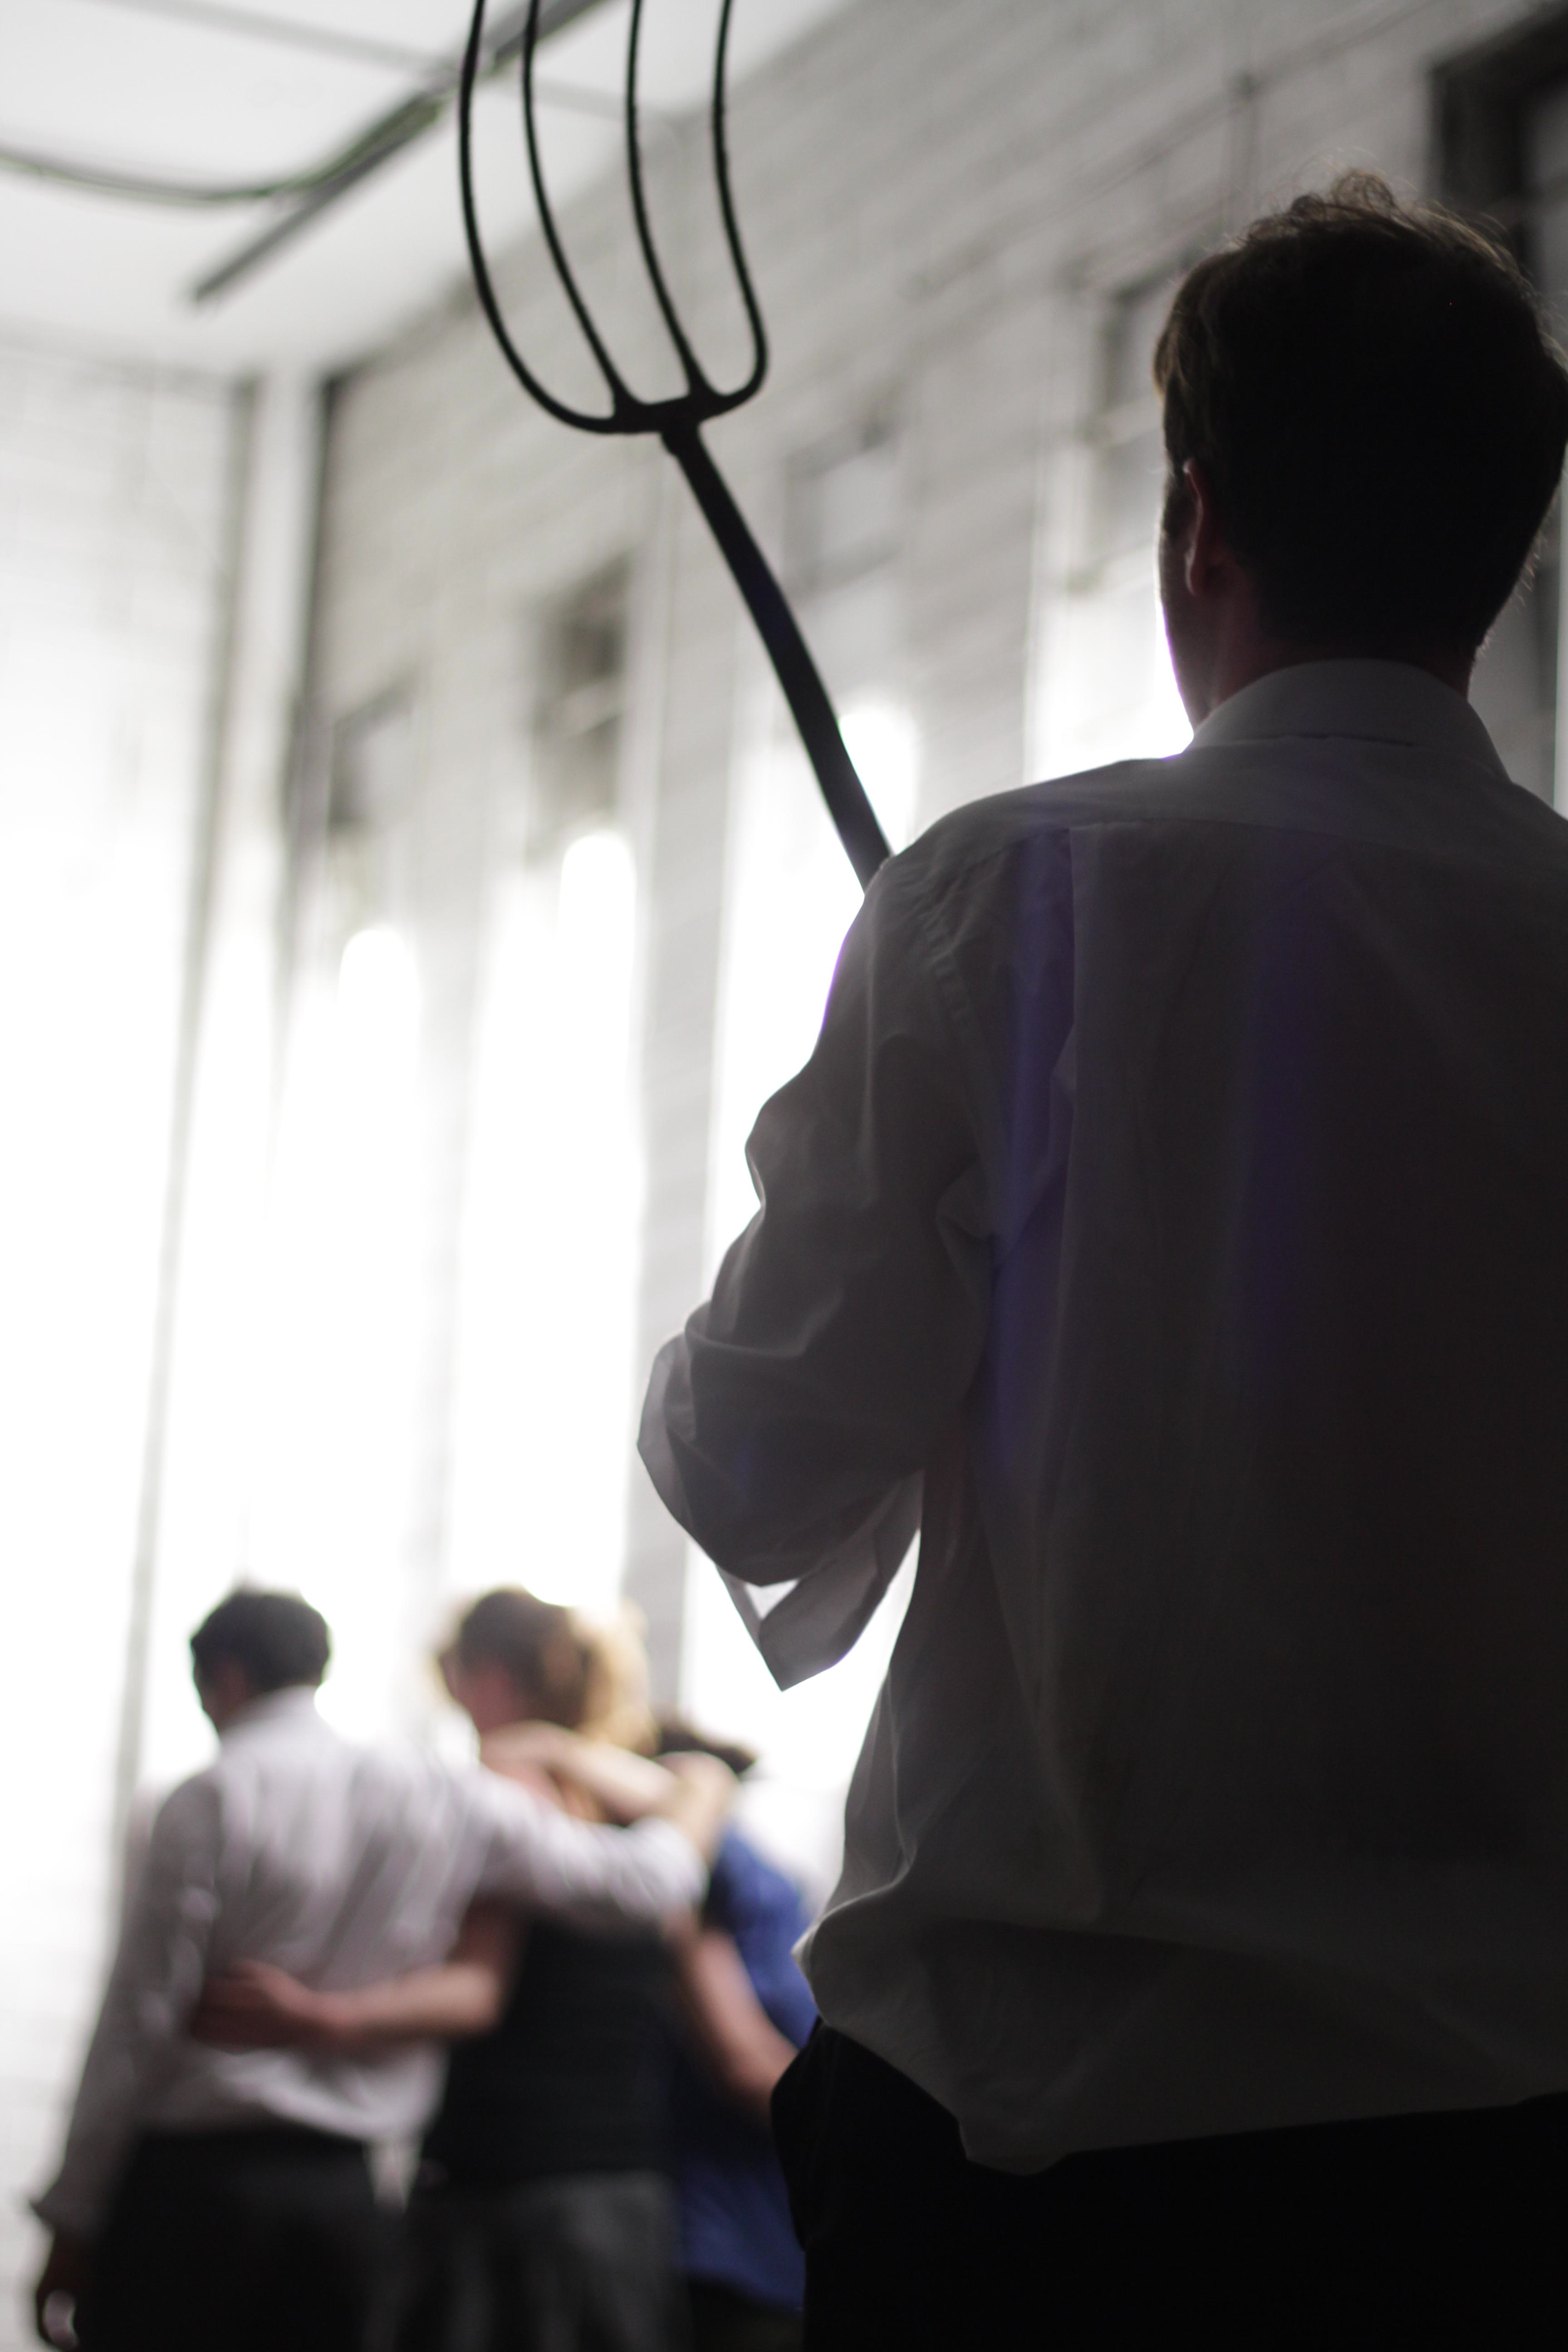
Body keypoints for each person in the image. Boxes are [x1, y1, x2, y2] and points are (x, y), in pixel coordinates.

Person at [637, 176, 1568, 2342]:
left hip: (1039, 2155)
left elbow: (758, 1465)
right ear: (1509, 548)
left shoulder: (1007, 898)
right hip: (1503, 2160)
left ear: (1195, 525)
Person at [31, 1587, 730, 2352]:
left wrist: (74, 2218)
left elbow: (137, 2021)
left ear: (223, 1679)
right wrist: (705, 1785)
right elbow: (646, 1886)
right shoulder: (439, 1792)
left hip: (189, 2198)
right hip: (345, 2204)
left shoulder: (207, 1797)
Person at [658, 1729, 816, 2352]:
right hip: (726, 2242)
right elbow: (744, 2064)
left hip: (760, 2235)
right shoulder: (709, 1880)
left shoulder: (752, 1877)